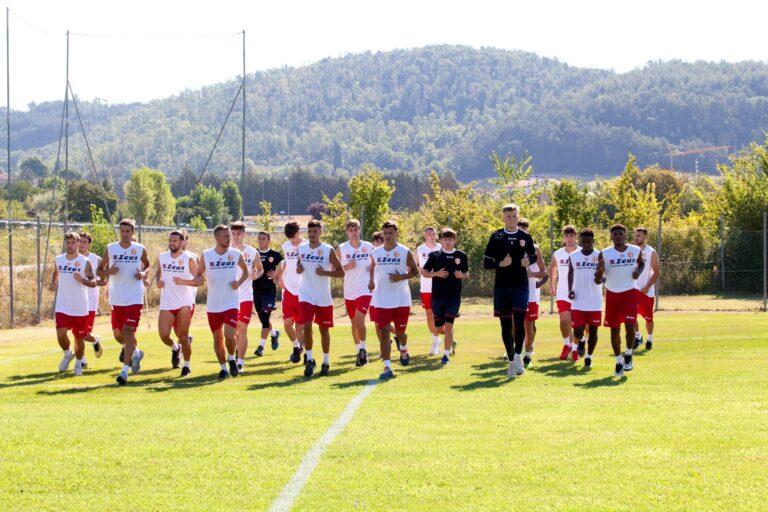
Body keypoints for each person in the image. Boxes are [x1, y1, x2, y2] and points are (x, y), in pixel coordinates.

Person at [483, 204, 537, 379]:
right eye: (508, 216)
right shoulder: (496, 237)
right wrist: (500, 263)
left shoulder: (525, 237)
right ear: (503, 218)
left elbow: (533, 255)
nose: (512, 219)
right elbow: (486, 263)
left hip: (521, 285)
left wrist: (527, 261)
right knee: (505, 325)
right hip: (502, 287)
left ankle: (519, 355)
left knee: (520, 322)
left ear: (518, 216)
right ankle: (511, 362)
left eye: (514, 216)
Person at [98, 219, 150, 386]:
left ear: (133, 232)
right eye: (123, 231)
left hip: (134, 298)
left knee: (128, 331)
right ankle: (135, 353)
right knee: (118, 335)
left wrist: (142, 273)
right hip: (117, 298)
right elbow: (100, 269)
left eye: (128, 231)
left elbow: (148, 265)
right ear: (119, 231)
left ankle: (124, 371)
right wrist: (108, 272)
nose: (125, 234)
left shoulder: (139, 249)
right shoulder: (111, 248)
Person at [198, 225, 250, 379]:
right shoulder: (206, 255)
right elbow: (199, 274)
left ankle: (232, 359)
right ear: (217, 238)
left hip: (231, 302)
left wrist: (238, 282)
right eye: (226, 236)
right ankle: (223, 368)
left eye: (229, 235)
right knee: (217, 337)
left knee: (229, 334)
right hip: (213, 304)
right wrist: (198, 278)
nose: (229, 238)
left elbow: (246, 271)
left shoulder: (235, 253)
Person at [595, 224, 645, 377]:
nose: (617, 236)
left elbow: (641, 264)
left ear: (625, 235)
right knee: (614, 329)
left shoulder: (635, 250)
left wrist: (638, 271)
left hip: (630, 291)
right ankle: (618, 361)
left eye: (620, 234)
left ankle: (628, 354)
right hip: (612, 293)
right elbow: (597, 280)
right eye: (614, 234)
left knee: (630, 325)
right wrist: (600, 271)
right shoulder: (604, 253)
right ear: (611, 237)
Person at [296, 220, 344, 377]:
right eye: (310, 231)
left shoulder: (327, 249)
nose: (312, 234)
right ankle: (309, 359)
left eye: (315, 231)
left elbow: (341, 272)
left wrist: (325, 273)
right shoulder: (301, 248)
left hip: (323, 296)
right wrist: (299, 268)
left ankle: (325, 361)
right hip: (305, 294)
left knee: (324, 330)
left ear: (320, 232)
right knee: (307, 327)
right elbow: (298, 266)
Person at [51, 232, 97, 376]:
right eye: (68, 242)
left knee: (79, 337)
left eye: (73, 242)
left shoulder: (84, 261)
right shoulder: (58, 259)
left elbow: (93, 282)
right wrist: (53, 283)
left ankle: (78, 362)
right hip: (63, 305)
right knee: (60, 333)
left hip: (79, 307)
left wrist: (82, 280)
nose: (70, 245)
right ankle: (67, 354)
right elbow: (55, 272)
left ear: (78, 244)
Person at [421, 228, 468, 365]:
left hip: (453, 297)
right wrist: (436, 274)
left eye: (450, 239)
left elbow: (466, 274)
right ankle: (451, 340)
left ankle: (445, 355)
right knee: (439, 327)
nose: (448, 242)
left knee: (448, 326)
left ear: (454, 240)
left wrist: (462, 275)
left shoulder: (461, 255)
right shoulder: (435, 255)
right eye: (445, 239)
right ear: (441, 240)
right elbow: (424, 272)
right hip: (437, 297)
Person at [155, 230, 199, 376]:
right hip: (167, 303)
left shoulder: (189, 258)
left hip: (184, 304)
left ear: (181, 242)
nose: (172, 243)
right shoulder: (162, 257)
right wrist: (159, 282)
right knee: (163, 335)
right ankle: (175, 348)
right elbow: (159, 274)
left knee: (183, 336)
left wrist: (183, 282)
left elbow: (200, 281)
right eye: (170, 240)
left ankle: (186, 365)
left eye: (175, 241)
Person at [337, 219, 375, 367]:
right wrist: (347, 266)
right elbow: (335, 269)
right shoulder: (341, 248)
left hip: (365, 290)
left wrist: (372, 278)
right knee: (354, 322)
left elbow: (375, 264)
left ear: (360, 230)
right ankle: (358, 350)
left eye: (356, 229)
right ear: (347, 232)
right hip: (349, 290)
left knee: (360, 320)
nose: (353, 232)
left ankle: (363, 349)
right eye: (350, 230)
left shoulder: (368, 246)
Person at [230, 221, 264, 374]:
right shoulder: (225, 251)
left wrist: (257, 275)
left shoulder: (252, 252)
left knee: (242, 329)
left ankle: (240, 363)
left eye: (239, 233)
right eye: (234, 233)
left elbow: (260, 269)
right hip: (228, 298)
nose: (236, 236)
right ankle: (235, 352)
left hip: (245, 296)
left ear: (244, 234)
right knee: (233, 331)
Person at [567, 229, 603, 368]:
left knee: (593, 332)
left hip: (595, 301)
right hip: (578, 300)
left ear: (593, 241)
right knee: (577, 330)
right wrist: (570, 289)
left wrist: (601, 278)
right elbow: (570, 273)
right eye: (584, 241)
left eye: (589, 241)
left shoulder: (599, 255)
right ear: (580, 241)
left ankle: (589, 356)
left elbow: (601, 274)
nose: (587, 243)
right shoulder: (574, 255)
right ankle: (581, 340)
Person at [517, 218, 547, 367]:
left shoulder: (534, 249)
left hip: (530, 295)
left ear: (528, 230)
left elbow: (543, 272)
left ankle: (528, 354)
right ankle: (516, 352)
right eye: (519, 228)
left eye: (524, 229)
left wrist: (531, 275)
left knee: (529, 325)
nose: (522, 231)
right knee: (514, 326)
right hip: (513, 293)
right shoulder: (508, 246)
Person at [274, 221, 305, 364]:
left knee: (300, 325)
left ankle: (300, 351)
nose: (292, 241)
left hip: (304, 290)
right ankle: (296, 346)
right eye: (289, 238)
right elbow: (287, 262)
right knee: (287, 324)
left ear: (299, 232)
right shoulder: (285, 246)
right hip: (289, 289)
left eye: (294, 237)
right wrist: (280, 277)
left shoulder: (306, 245)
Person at [550, 225, 581, 360]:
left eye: (572, 236)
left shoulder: (582, 252)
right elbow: (552, 268)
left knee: (578, 324)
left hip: (580, 294)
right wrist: (552, 284)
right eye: (567, 236)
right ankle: (566, 345)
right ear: (564, 237)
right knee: (564, 320)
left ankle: (575, 349)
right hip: (562, 292)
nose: (569, 238)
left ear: (576, 237)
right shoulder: (558, 253)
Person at [252, 231, 282, 357]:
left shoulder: (275, 255)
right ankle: (274, 334)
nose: (261, 241)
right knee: (263, 319)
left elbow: (284, 268)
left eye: (264, 239)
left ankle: (261, 347)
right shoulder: (253, 253)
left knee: (265, 317)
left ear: (269, 240)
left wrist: (275, 273)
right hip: (256, 291)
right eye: (259, 239)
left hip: (269, 292)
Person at [78, 232, 106, 362]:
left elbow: (103, 277)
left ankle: (95, 340)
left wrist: (101, 282)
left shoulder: (96, 259)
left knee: (85, 334)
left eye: (84, 242)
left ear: (89, 244)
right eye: (80, 241)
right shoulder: (72, 259)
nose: (81, 244)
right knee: (77, 334)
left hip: (90, 303)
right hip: (75, 302)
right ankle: (82, 360)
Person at [415, 227, 443, 355]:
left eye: (433, 234)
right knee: (429, 314)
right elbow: (411, 264)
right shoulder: (420, 249)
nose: (431, 236)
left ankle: (448, 336)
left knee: (440, 316)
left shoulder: (441, 248)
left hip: (440, 287)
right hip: (426, 288)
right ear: (425, 236)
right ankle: (435, 341)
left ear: (436, 235)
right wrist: (419, 269)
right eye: (429, 234)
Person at [633, 227, 660, 350]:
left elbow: (656, 272)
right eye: (635, 235)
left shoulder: (651, 252)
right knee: (630, 316)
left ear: (645, 237)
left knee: (648, 318)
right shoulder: (631, 251)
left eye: (639, 235)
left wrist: (647, 287)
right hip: (632, 290)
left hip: (646, 292)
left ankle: (650, 338)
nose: (636, 237)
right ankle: (638, 337)